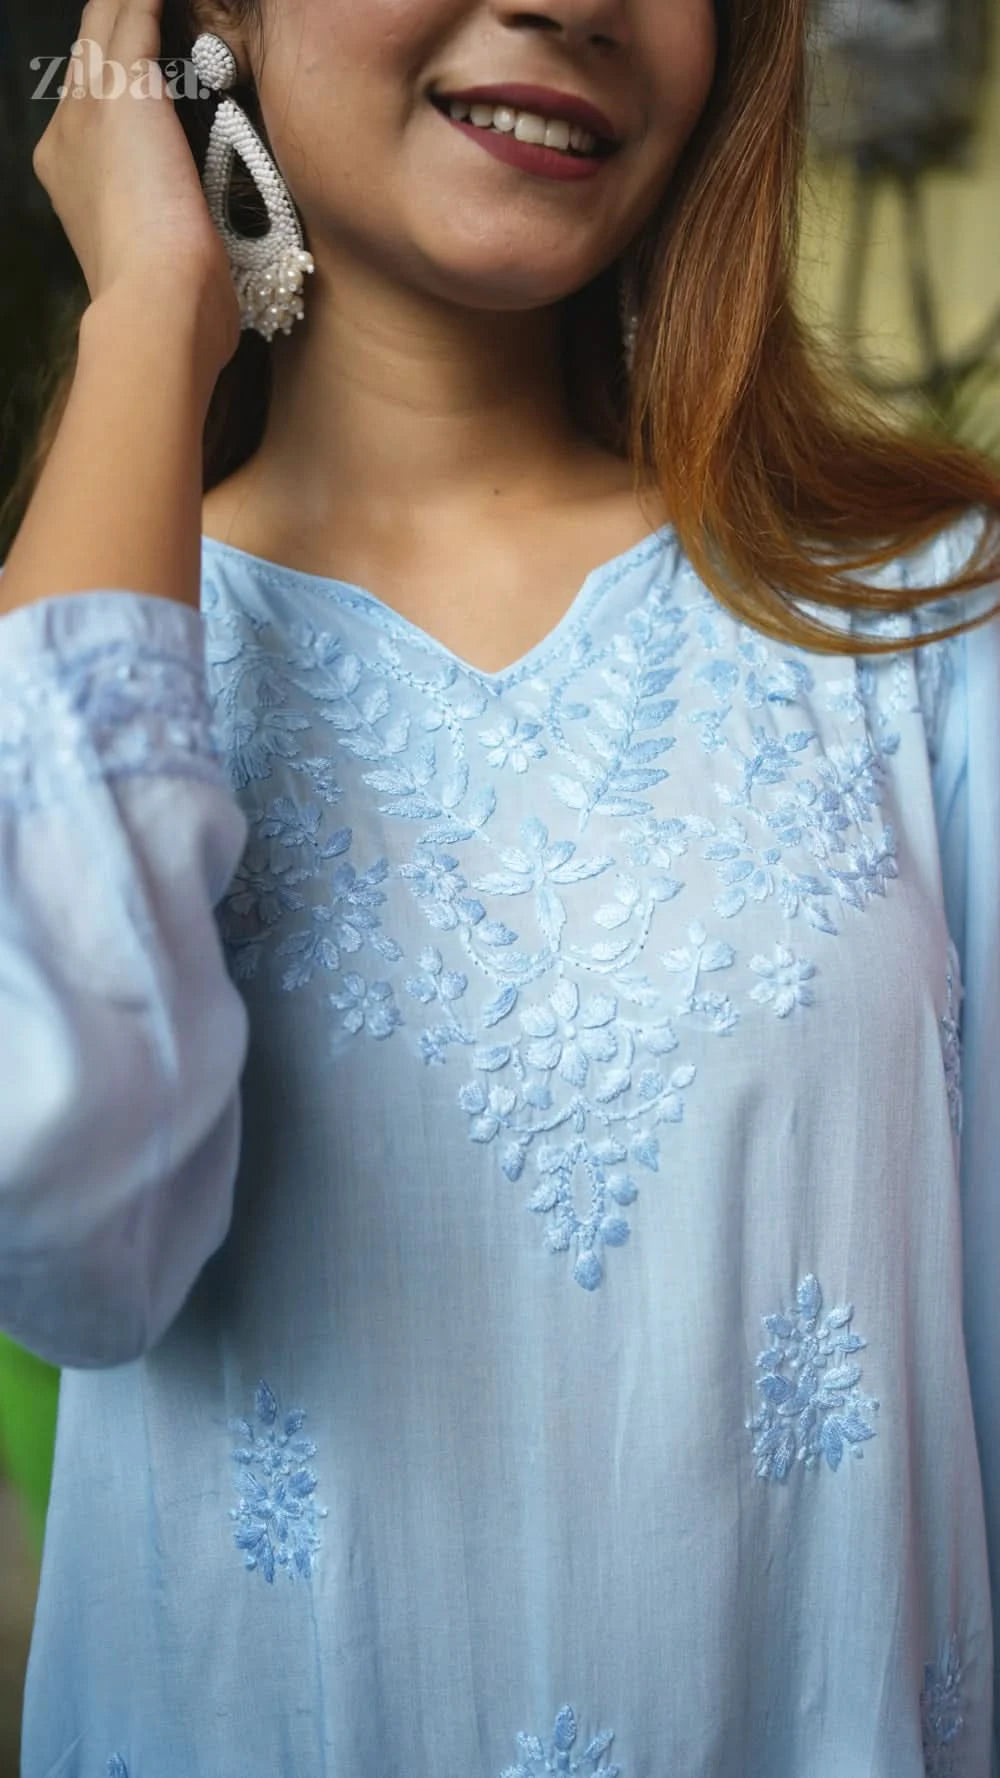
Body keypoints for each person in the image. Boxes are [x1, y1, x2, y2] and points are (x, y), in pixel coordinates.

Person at [1, 0, 1000, 1771]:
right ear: (193, 20)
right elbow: (56, 1194)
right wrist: (150, 311)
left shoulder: (921, 625)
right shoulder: (82, 669)